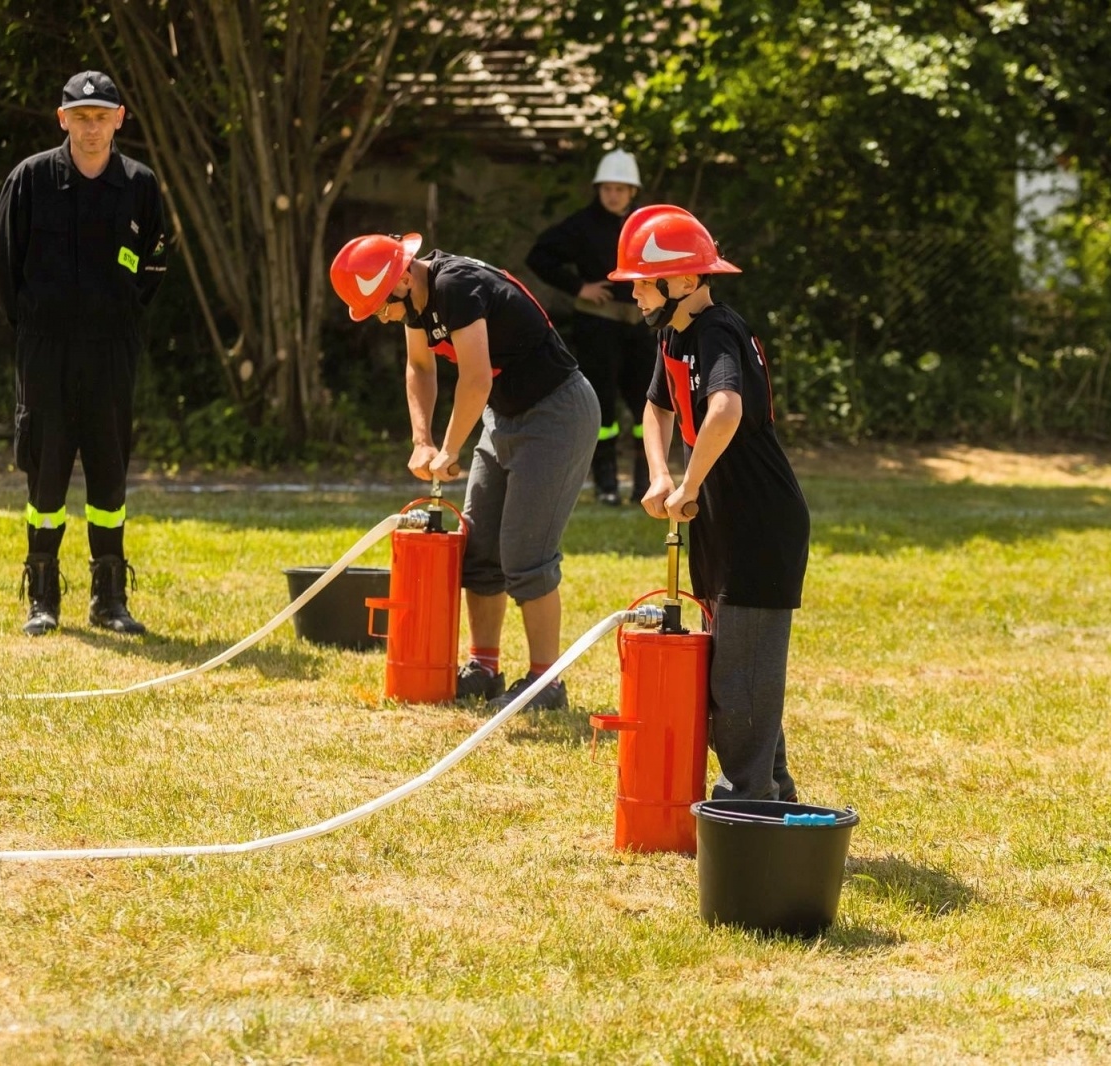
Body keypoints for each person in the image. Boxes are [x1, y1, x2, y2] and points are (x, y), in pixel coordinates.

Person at [330, 233, 598, 710]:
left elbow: (475, 379)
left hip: (556, 414)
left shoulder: (455, 286)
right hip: (503, 416)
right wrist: (422, 440)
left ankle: (546, 682)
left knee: (526, 555)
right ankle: (484, 668)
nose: (382, 317)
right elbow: (420, 367)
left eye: (380, 307)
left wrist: (450, 448)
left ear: (402, 279)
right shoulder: (414, 300)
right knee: (478, 548)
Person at [611, 205, 810, 801]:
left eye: (644, 283)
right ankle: (770, 791)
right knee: (734, 671)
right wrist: (658, 474)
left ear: (684, 280)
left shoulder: (718, 331)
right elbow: (657, 407)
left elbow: (725, 410)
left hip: (759, 522)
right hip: (720, 522)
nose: (635, 294)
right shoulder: (674, 332)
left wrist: (690, 483)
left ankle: (745, 803)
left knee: (739, 680)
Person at [0, 70, 167, 637]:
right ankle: (43, 597)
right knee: (45, 473)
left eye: (102, 116)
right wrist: (36, 327)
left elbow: (155, 263)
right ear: (62, 118)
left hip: (111, 352)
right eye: (81, 117)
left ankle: (108, 600)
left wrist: (119, 315)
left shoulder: (140, 184)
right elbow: (2, 270)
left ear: (120, 119)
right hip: (45, 350)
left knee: (109, 472)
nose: (92, 128)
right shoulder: (31, 180)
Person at [526, 149, 654, 506]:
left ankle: (647, 482)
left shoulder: (645, 226)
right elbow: (539, 257)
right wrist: (579, 287)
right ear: (598, 189)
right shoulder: (581, 225)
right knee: (602, 408)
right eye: (607, 188)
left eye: (620, 189)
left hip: (642, 327)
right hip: (598, 326)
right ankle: (606, 483)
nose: (613, 195)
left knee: (647, 405)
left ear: (632, 191)